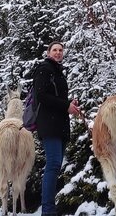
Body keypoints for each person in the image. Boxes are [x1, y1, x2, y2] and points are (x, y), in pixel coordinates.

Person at [33, 41, 82, 216]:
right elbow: (41, 96)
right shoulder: (44, 69)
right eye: (54, 50)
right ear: (48, 52)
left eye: (61, 50)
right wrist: (65, 105)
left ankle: (49, 208)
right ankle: (47, 210)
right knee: (53, 164)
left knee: (55, 165)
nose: (58, 52)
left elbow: (58, 98)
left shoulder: (58, 72)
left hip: (60, 124)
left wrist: (70, 105)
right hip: (49, 124)